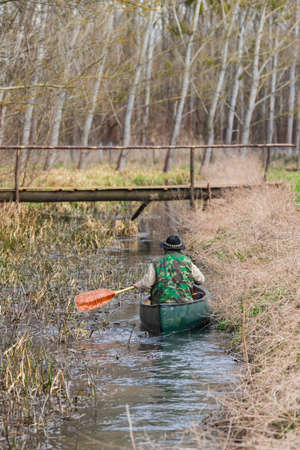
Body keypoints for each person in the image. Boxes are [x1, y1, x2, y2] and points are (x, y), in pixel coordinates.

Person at [134, 235, 205, 304]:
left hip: (160, 304)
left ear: (164, 249)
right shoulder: (187, 261)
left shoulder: (156, 263)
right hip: (184, 302)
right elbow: (201, 280)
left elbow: (147, 283)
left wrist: (139, 284)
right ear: (180, 250)